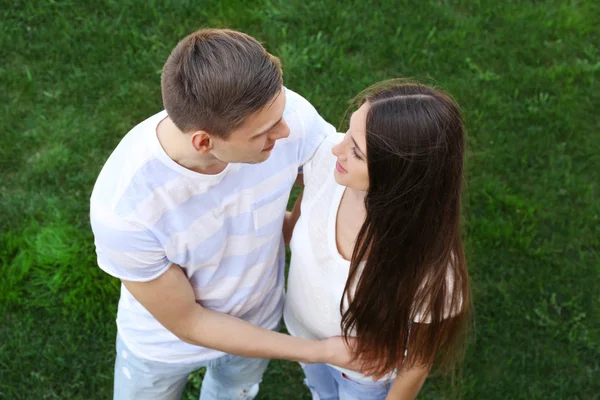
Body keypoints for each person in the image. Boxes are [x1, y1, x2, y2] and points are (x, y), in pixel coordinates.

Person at [90, 28, 359, 400]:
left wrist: (294, 223)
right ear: (204, 141)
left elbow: (328, 178)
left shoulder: (285, 115)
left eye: (281, 113)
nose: (285, 131)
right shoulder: (126, 210)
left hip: (258, 315)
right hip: (162, 346)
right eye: (265, 131)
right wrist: (321, 351)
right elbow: (189, 322)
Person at [283, 80, 472, 400]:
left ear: (397, 176)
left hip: (363, 378)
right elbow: (294, 230)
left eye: (355, 151)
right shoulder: (329, 166)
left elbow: (417, 364)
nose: (335, 148)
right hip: (304, 342)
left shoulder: (431, 268)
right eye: (348, 134)